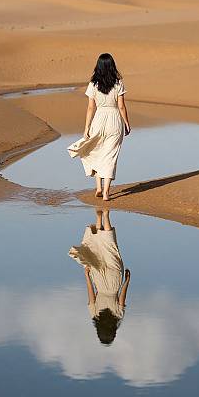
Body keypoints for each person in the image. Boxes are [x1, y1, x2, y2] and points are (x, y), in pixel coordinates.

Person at [67, 53, 131, 201]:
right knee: (110, 156)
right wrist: (127, 123)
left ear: (98, 66)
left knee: (96, 151)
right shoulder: (118, 83)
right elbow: (121, 106)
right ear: (112, 66)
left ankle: (99, 188)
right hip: (114, 120)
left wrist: (86, 127)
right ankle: (107, 192)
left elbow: (91, 107)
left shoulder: (93, 84)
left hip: (99, 119)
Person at [69, 209, 131, 345]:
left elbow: (122, 297)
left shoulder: (118, 316)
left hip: (115, 281)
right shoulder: (94, 315)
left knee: (110, 247)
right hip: (100, 282)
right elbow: (91, 295)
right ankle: (98, 219)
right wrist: (87, 276)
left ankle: (106, 215)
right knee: (97, 249)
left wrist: (127, 280)